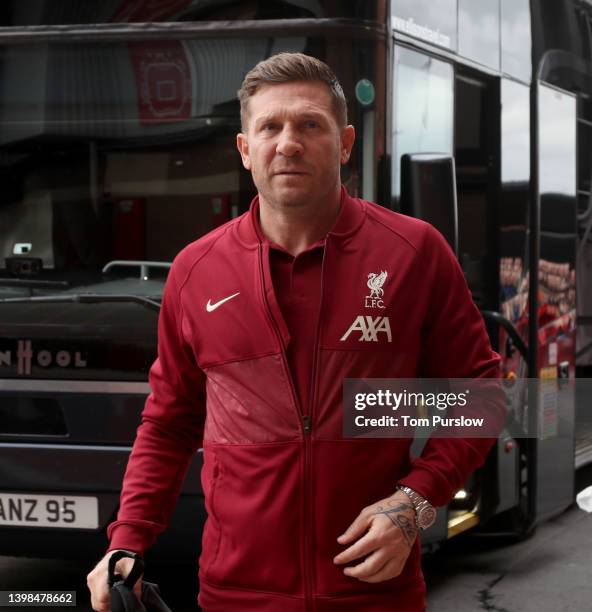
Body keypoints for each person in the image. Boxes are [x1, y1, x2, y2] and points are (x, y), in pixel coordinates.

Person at [88, 52, 501, 611]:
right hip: (236, 596)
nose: (288, 143)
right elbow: (169, 421)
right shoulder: (195, 269)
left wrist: (415, 502)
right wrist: (128, 539)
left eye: (310, 124)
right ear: (244, 149)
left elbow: (481, 396)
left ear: (346, 143)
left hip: (375, 595)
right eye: (270, 127)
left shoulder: (414, 253)